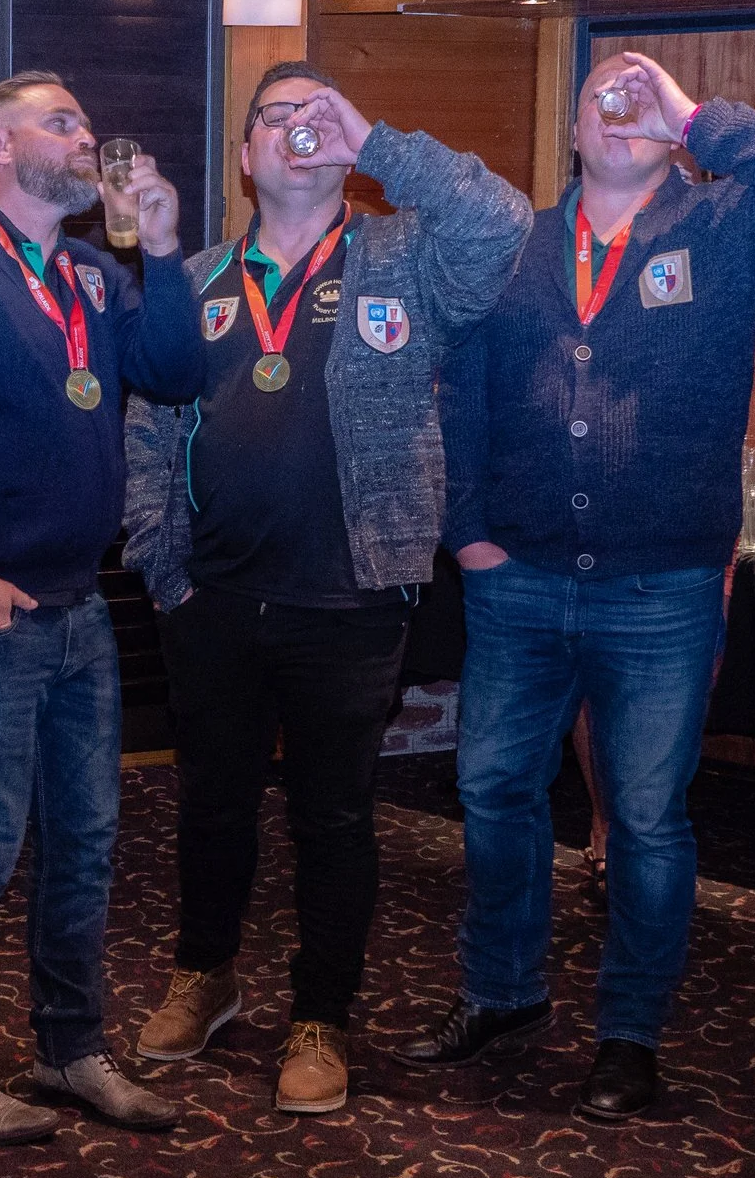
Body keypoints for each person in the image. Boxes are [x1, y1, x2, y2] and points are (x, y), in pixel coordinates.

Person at [419, 51, 755, 1120]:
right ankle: (501, 993)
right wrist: (468, 534)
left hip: (660, 588)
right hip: (516, 577)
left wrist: (695, 115)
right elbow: (460, 394)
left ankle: (628, 1034)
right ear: (568, 130)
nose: (620, 117)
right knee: (491, 794)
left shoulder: (727, 229)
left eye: (641, 104)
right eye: (601, 102)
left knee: (647, 819)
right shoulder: (517, 241)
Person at [122, 63, 529, 1112]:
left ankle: (321, 1016)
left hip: (349, 596)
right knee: (211, 804)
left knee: (333, 817)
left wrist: (382, 141)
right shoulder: (202, 276)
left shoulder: (407, 259)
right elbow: (147, 426)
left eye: (321, 116)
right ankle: (203, 975)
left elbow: (500, 222)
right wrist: (161, 567)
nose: (300, 132)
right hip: (208, 598)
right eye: (277, 119)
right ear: (247, 154)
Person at [0, 70, 204, 1142]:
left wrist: (159, 245)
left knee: (87, 843)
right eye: (62, 123)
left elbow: (179, 369)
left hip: (78, 605)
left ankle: (69, 1049)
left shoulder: (91, 274)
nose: (87, 135)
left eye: (85, 121)